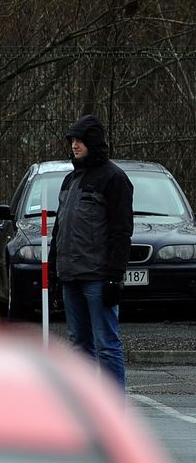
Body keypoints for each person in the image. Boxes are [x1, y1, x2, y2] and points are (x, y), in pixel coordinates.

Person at [49, 114, 134, 391]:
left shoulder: (114, 178)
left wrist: (114, 278)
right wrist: (54, 271)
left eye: (80, 140)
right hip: (70, 276)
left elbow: (121, 232)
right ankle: (86, 406)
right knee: (79, 345)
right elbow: (60, 228)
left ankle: (112, 409)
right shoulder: (70, 180)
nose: (74, 145)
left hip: (98, 277)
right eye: (72, 140)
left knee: (106, 344)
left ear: (93, 142)